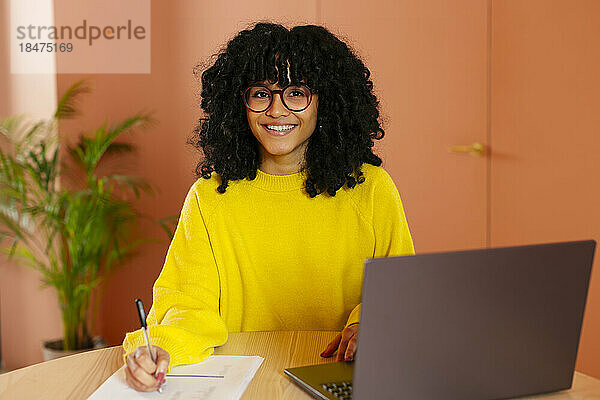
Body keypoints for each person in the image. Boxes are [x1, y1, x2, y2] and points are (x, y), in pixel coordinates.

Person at [122, 22, 415, 392]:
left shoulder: (372, 190)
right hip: (243, 383)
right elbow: (185, 304)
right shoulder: (209, 197)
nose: (277, 110)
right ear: (238, 104)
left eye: (296, 92)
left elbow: (398, 295)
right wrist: (160, 349)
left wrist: (366, 324)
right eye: (261, 93)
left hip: (340, 377)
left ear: (327, 101)